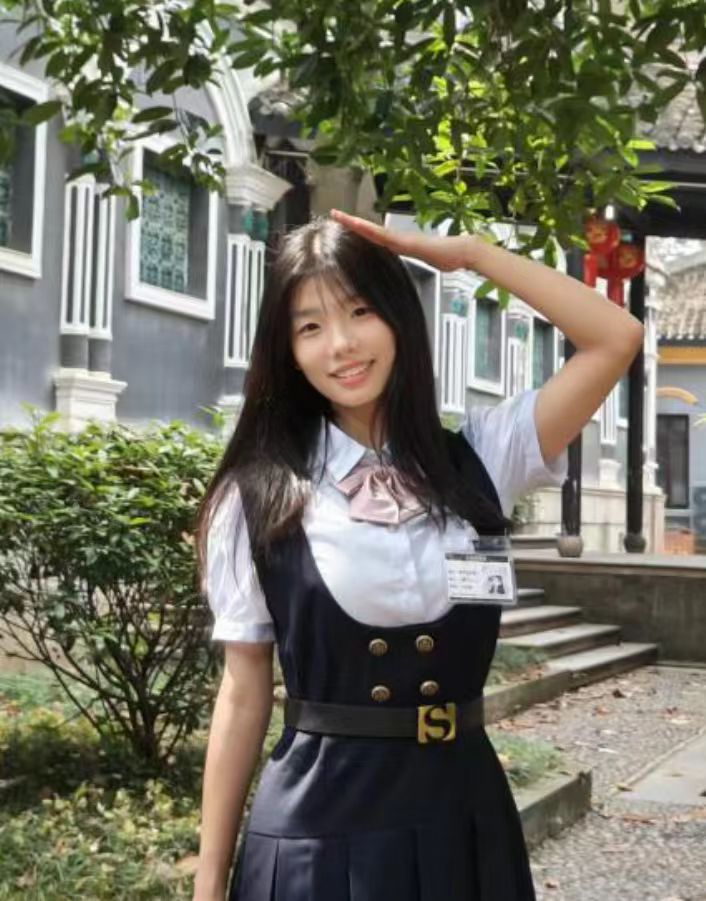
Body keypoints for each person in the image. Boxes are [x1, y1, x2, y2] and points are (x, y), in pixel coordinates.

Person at [193, 211, 643, 901]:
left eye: (360, 310)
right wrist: (207, 883)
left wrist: (471, 254)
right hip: (318, 830)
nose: (341, 344)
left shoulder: (482, 459)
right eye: (310, 327)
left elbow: (615, 338)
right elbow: (243, 691)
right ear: (288, 351)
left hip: (463, 819)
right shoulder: (258, 496)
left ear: (399, 316)